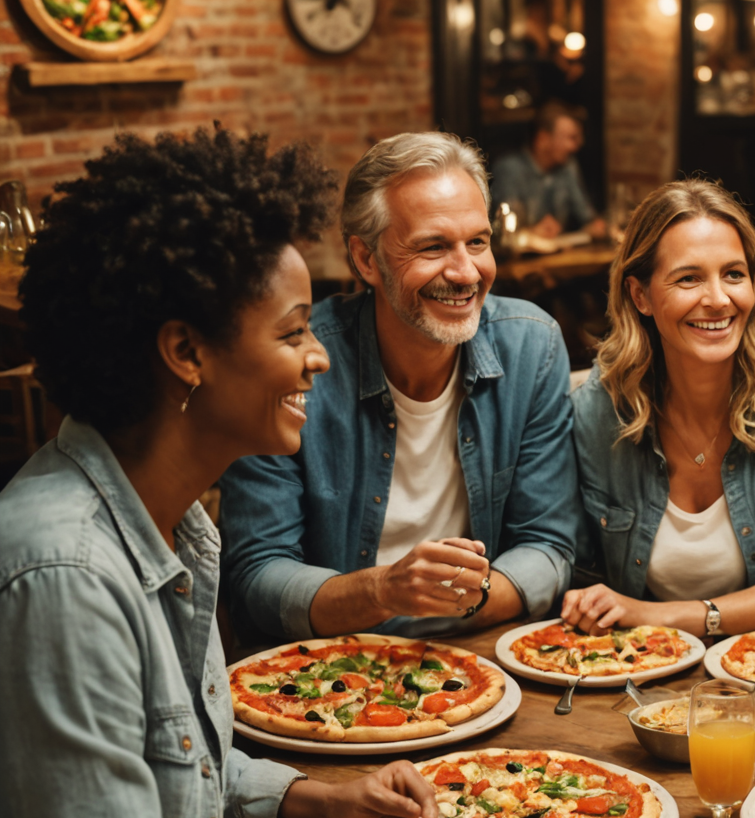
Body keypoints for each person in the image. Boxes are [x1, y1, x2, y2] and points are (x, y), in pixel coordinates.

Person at [0, 129, 453, 818]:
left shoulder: (172, 524)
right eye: (296, 330)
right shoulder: (62, 571)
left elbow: (168, 767)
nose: (321, 357)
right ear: (185, 353)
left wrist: (314, 794)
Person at [220, 131, 579, 642]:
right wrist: (383, 592)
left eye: (477, 242)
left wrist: (460, 602)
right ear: (366, 260)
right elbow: (256, 576)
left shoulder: (532, 346)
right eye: (433, 246)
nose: (465, 272)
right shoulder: (293, 366)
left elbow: (548, 544)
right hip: (324, 672)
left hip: (478, 652)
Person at [563, 180, 755, 638]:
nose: (718, 299)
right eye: (689, 278)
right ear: (641, 296)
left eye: (733, 274)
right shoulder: (596, 409)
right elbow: (578, 573)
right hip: (634, 670)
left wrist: (663, 617)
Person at [489, 101, 607, 239]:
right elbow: (503, 232)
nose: (576, 146)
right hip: (518, 259)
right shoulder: (510, 170)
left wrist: (596, 226)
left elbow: (587, 217)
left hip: (558, 256)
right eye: (571, 138)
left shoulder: (568, 167)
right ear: (543, 139)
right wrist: (530, 232)